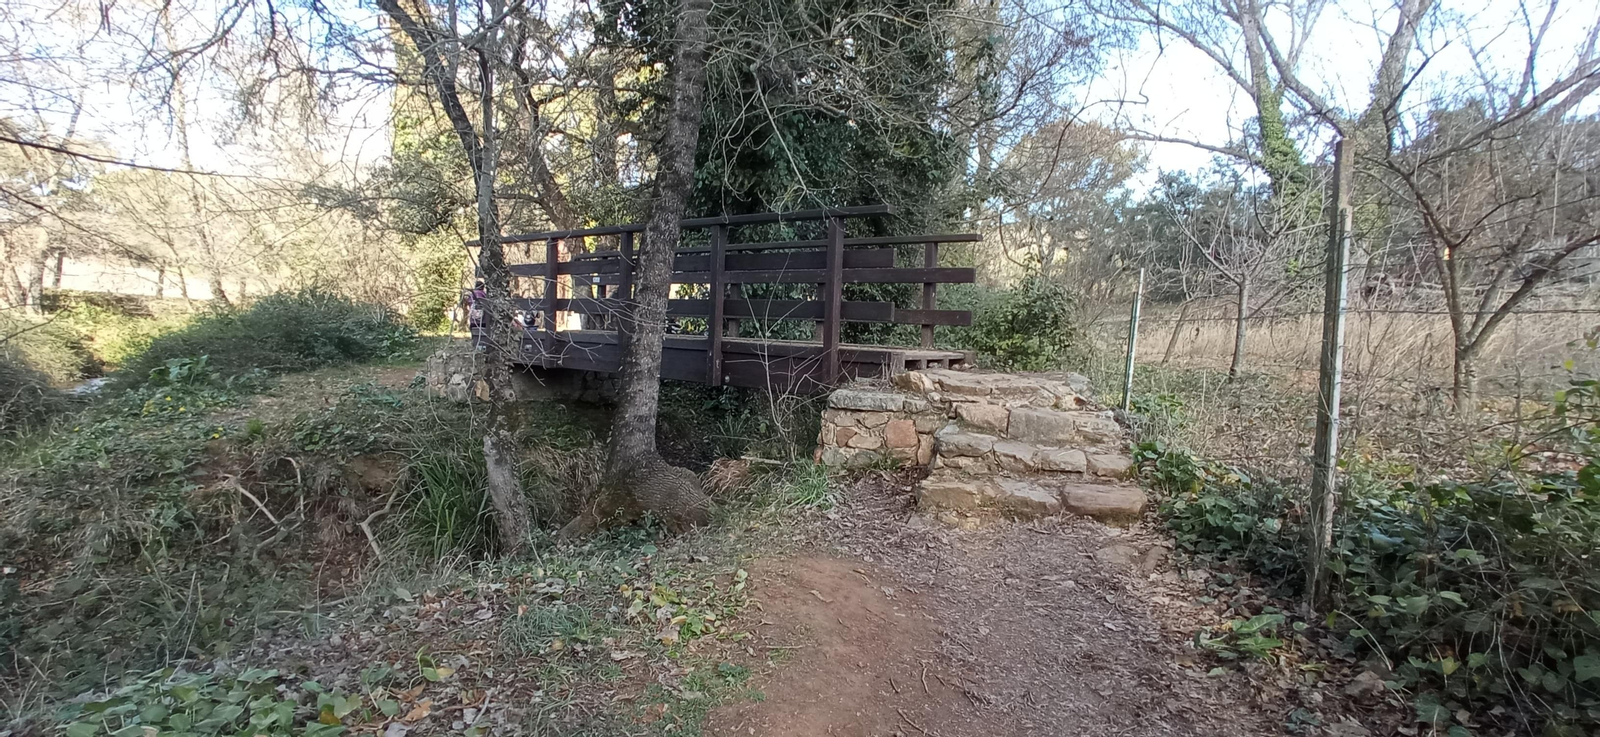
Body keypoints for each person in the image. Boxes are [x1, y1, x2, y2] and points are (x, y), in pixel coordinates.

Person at [463, 280, 488, 350]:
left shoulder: (471, 295)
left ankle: (474, 345)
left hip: (473, 319)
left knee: (474, 332)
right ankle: (482, 347)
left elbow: (467, 302)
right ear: (482, 287)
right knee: (483, 333)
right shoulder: (484, 294)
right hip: (483, 320)